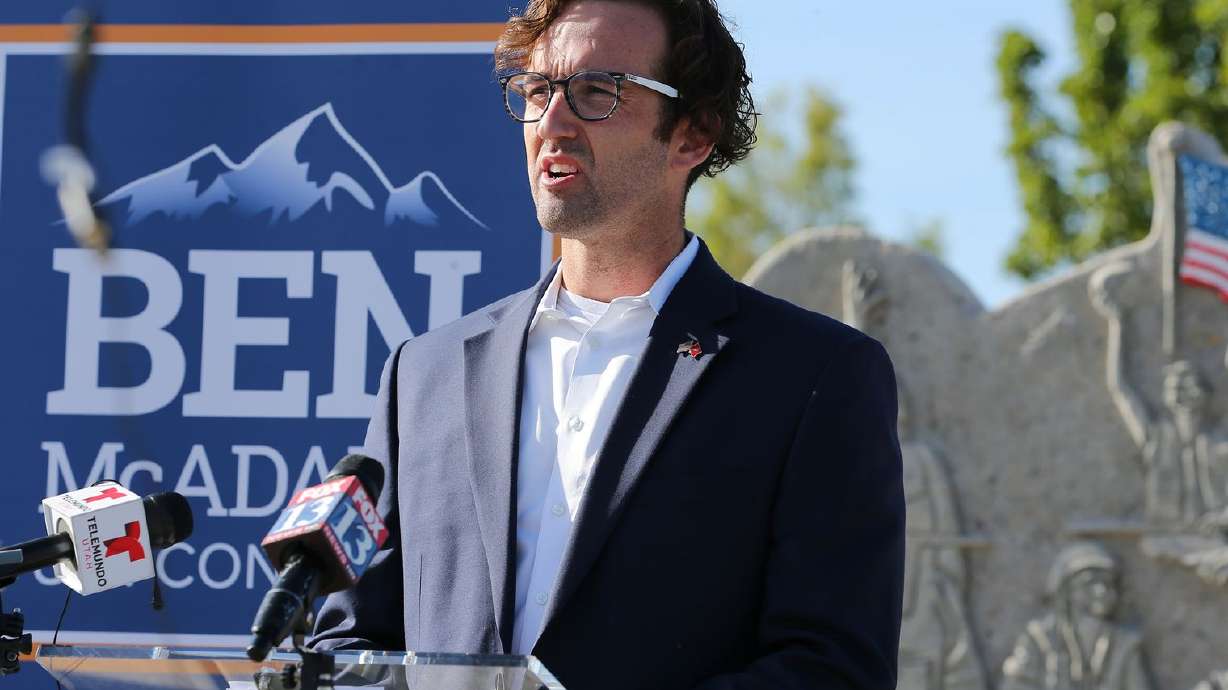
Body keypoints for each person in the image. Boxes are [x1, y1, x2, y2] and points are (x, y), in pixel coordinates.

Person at [310, 1, 905, 688]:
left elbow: (833, 672)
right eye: (537, 92)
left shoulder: (814, 376)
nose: (552, 123)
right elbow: (351, 643)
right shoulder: (425, 375)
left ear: (694, 134)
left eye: (597, 92)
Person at [1001, 542, 1152, 690]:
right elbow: (1015, 684)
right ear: (1066, 590)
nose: (1101, 591)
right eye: (1090, 582)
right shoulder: (1040, 638)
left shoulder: (1125, 644)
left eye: (1107, 583)